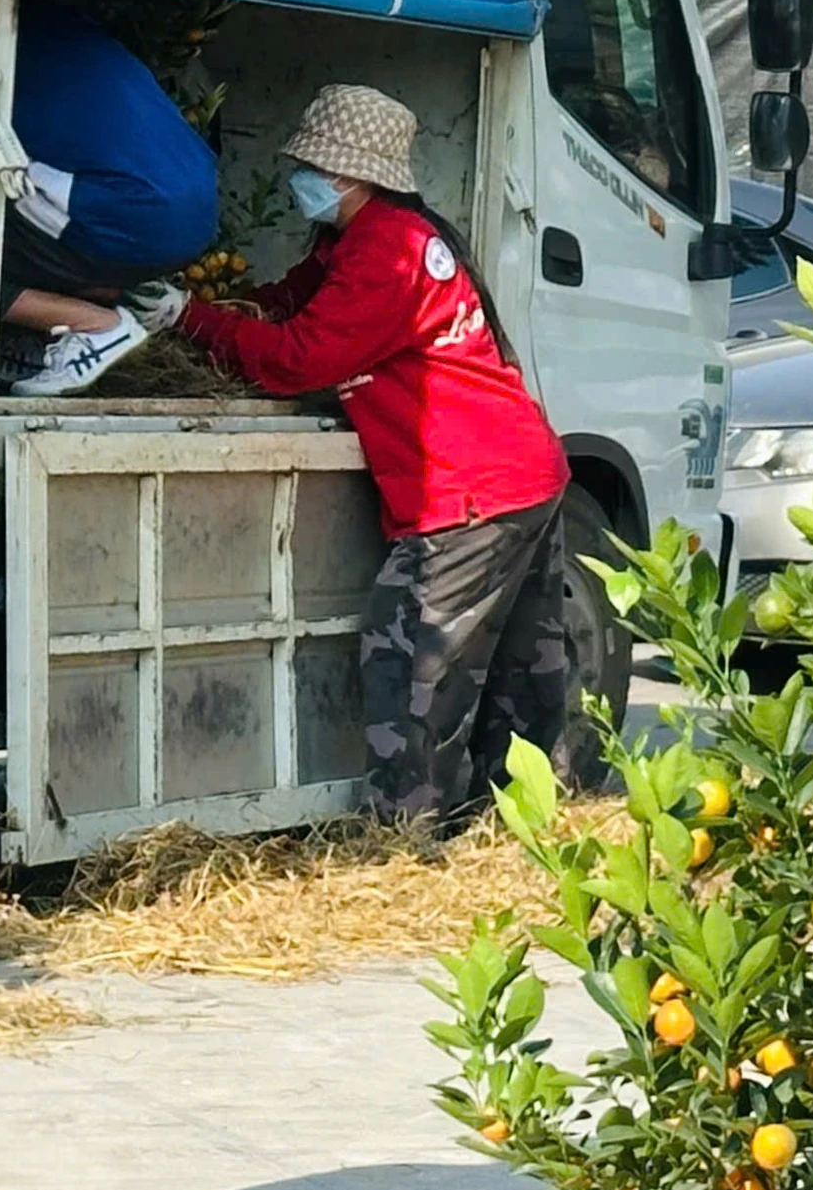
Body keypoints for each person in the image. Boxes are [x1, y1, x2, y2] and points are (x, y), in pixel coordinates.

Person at [148, 83, 576, 826]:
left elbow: (297, 357)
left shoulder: (389, 250)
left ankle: (405, 837)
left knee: (412, 658)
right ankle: (533, 823)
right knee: (523, 671)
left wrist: (193, 320)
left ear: (346, 174)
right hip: (519, 474)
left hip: (469, 489)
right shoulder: (378, 234)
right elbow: (292, 300)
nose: (300, 179)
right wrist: (231, 307)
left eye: (311, 166)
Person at [0, 0, 217, 397]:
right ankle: (75, 315)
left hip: (121, 212)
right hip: (192, 212)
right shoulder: (32, 16)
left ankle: (99, 326)